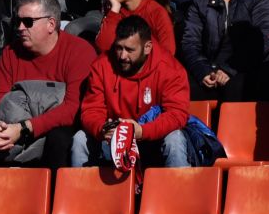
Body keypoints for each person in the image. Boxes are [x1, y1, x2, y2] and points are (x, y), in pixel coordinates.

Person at [0, 0, 95, 169]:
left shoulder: (80, 51)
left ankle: (53, 194)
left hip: (54, 125)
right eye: (18, 21)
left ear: (51, 24)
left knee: (59, 138)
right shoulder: (11, 53)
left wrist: (24, 128)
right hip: (15, 123)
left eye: (28, 22)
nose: (20, 28)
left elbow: (72, 109)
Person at [71, 14, 194, 171]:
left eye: (130, 50)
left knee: (175, 139)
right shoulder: (101, 66)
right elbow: (91, 110)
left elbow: (177, 114)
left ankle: (177, 193)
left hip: (153, 140)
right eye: (118, 48)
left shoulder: (170, 69)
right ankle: (82, 193)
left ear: (147, 47)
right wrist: (103, 129)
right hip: (114, 141)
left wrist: (142, 131)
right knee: (81, 139)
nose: (122, 56)